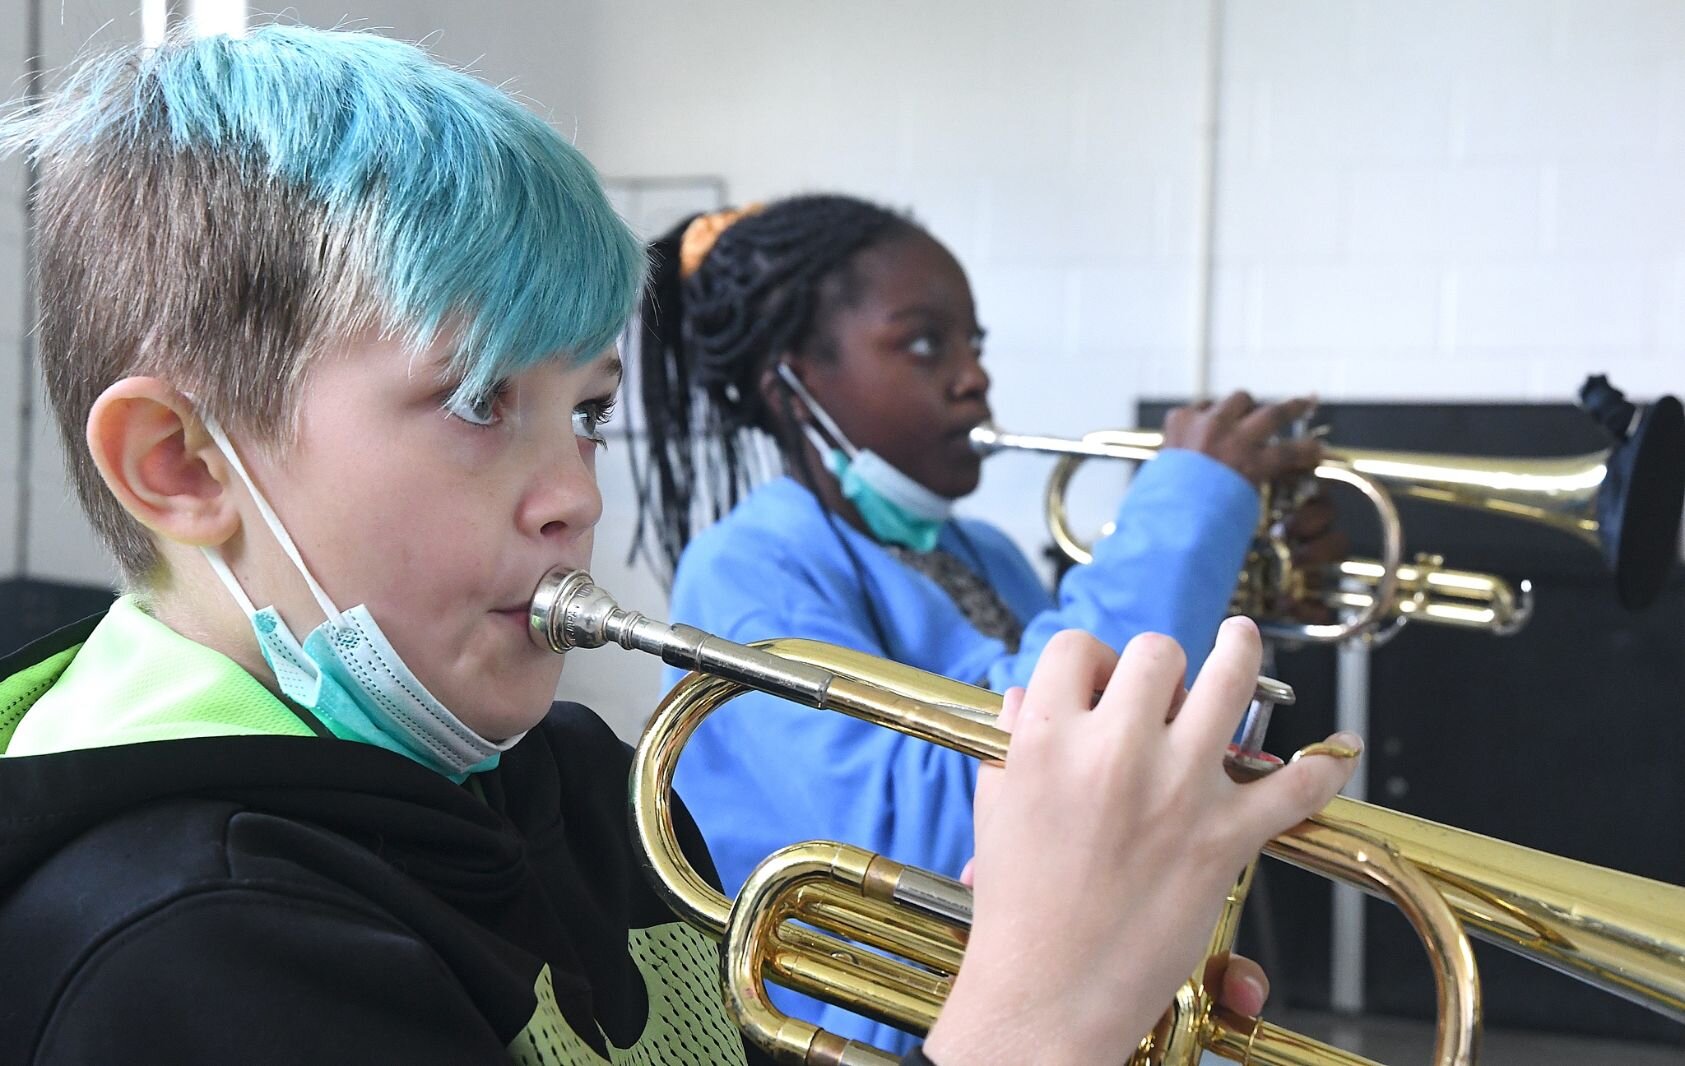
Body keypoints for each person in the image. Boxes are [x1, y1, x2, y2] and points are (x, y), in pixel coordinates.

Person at [0, 25, 1357, 1065]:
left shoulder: (572, 781)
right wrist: (1033, 1017)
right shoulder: (185, 948)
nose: (572, 495)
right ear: (183, 467)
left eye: (584, 408)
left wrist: (1077, 967)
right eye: (481, 401)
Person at [636, 195, 1340, 1049]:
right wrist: (1186, 514)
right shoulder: (744, 568)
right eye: (925, 341)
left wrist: (1233, 599)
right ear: (794, 378)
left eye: (975, 343)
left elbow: (1110, 758)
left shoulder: (984, 554)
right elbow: (942, 826)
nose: (973, 376)